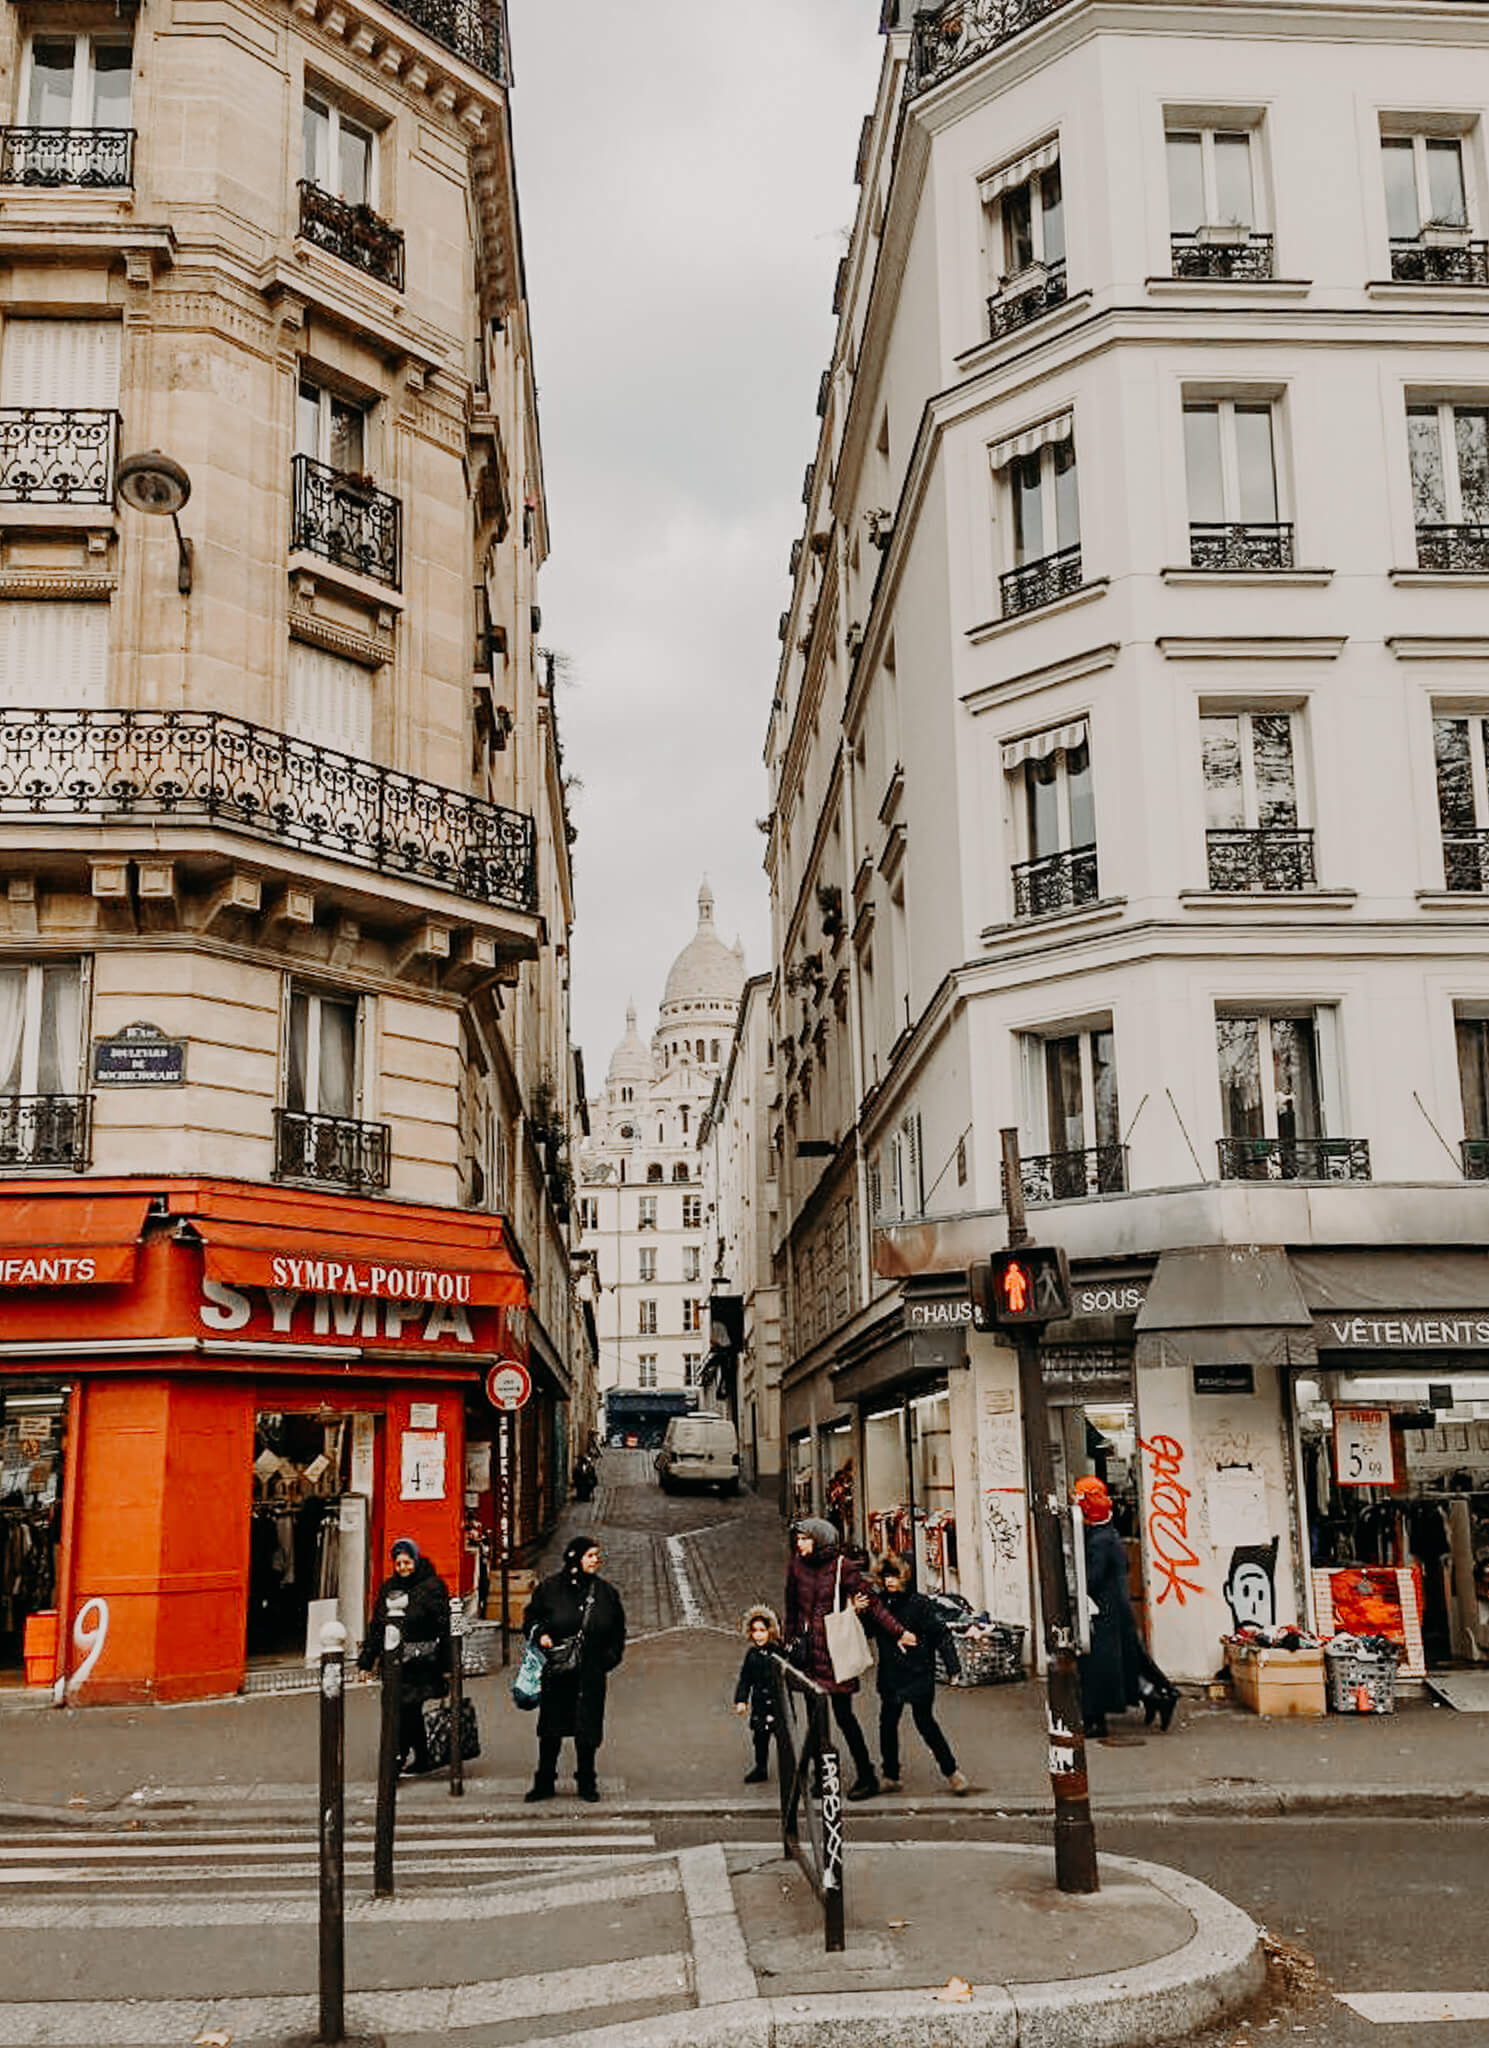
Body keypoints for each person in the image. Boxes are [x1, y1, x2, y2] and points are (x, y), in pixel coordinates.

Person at [783, 1516, 912, 1801]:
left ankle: (867, 1776)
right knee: (815, 1721)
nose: (799, 1544)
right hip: (808, 1655)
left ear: (820, 1540)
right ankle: (823, 1777)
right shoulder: (797, 1566)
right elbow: (791, 1609)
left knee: (844, 1717)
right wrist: (788, 1645)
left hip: (835, 1653)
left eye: (805, 1539)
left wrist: (898, 1632)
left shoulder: (843, 1567)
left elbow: (874, 1604)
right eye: (798, 1539)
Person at [523, 1535, 626, 1803]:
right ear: (574, 1558)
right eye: (590, 1555)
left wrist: (608, 1659)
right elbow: (531, 1618)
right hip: (558, 1672)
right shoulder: (549, 1589)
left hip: (591, 1673)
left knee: (587, 1730)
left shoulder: (605, 1593)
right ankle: (544, 1781)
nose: (596, 1560)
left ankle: (587, 1781)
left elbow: (618, 1631)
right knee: (550, 1730)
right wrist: (541, 1635)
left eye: (597, 1555)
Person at [1073, 1476, 1177, 1736]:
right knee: (1128, 1661)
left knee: (1098, 1667)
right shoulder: (1108, 1534)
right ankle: (1157, 1696)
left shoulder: (1099, 1540)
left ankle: (1097, 1719)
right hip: (1114, 1610)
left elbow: (1092, 1579)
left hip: (1103, 1613)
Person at [858, 1552, 968, 1794]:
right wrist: (860, 1612)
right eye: (886, 1576)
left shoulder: (920, 1604)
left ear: (905, 1577)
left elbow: (941, 1634)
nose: (889, 1581)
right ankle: (891, 1775)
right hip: (891, 1675)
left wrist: (953, 1667)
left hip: (918, 1673)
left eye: (894, 1576)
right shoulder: (879, 1604)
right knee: (888, 1724)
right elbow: (868, 1632)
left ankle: (952, 1772)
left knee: (925, 1723)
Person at [358, 1536, 452, 1775]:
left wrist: (448, 1664)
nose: (403, 1568)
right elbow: (378, 1627)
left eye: (407, 1562)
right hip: (395, 1661)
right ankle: (419, 1757)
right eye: (398, 1563)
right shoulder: (389, 1588)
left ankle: (397, 1757)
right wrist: (366, 1660)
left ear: (416, 1560)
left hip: (422, 1662)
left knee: (405, 1708)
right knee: (404, 1709)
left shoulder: (432, 1586)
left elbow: (444, 1626)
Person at [733, 1605, 781, 1784]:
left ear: (770, 1631)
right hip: (760, 1705)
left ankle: (790, 1769)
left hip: (778, 1705)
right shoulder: (751, 1654)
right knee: (760, 1739)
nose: (758, 1635)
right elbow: (745, 1679)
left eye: (762, 1630)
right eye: (755, 1631)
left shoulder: (778, 1651)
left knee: (784, 1739)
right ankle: (761, 1768)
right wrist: (741, 1699)